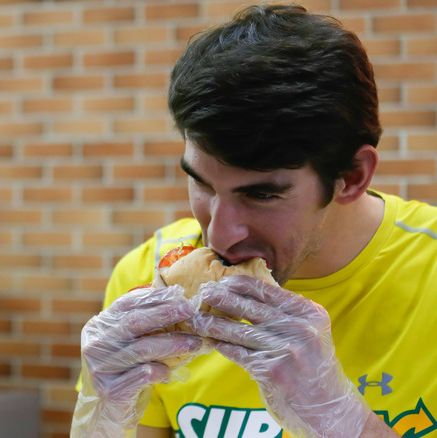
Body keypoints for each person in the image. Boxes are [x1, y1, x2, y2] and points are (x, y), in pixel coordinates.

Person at [72, 4, 437, 438]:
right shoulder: (149, 277)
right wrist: (100, 416)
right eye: (202, 184)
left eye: (261, 194)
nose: (219, 233)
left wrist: (343, 423)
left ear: (351, 177)